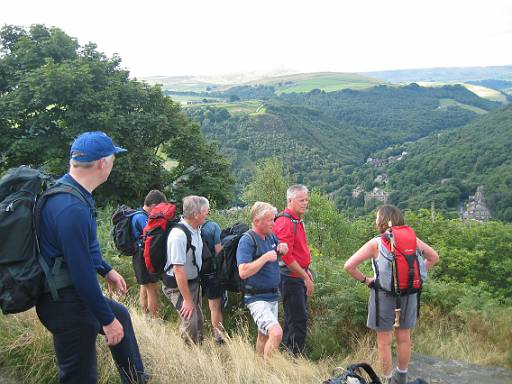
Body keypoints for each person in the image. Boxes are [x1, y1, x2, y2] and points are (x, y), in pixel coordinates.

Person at [35, 131, 148, 384]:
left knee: (122, 317)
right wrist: (107, 321)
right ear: (102, 163)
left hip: (66, 295)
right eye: (113, 158)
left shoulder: (72, 191)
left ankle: (136, 379)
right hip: (64, 304)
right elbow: (81, 273)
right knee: (79, 377)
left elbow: (83, 248)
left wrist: (107, 269)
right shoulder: (71, 208)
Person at [344, 205, 439, 384]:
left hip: (384, 296)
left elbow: (349, 266)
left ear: (382, 220)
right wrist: (419, 276)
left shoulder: (377, 243)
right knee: (404, 339)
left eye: (377, 217)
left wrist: (367, 280)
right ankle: (401, 377)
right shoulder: (413, 240)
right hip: (410, 294)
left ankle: (387, 380)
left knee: (384, 342)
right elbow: (434, 257)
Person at [237, 202, 288, 360]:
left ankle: (258, 368)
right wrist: (265, 257)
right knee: (276, 332)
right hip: (257, 298)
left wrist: (281, 248)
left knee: (263, 336)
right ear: (256, 220)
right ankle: (268, 371)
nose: (273, 224)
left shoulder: (270, 236)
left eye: (273, 219)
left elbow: (275, 250)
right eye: (269, 220)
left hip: (272, 296)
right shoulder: (247, 240)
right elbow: (243, 272)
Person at [161, 195, 209, 344]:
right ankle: (187, 357)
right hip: (177, 286)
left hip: (193, 283)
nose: (207, 214)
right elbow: (178, 270)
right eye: (206, 211)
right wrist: (187, 300)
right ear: (196, 214)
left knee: (199, 320)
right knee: (190, 321)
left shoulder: (196, 228)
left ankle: (198, 351)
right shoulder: (178, 235)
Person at [273, 184, 313, 355]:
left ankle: (290, 354)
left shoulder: (295, 219)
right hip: (290, 278)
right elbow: (286, 257)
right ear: (290, 200)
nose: (305, 203)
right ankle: (294, 358)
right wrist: (305, 277)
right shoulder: (285, 222)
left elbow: (297, 251)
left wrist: (306, 269)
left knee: (295, 318)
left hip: (297, 275)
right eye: (301, 200)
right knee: (297, 319)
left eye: (306, 200)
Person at [131, 190, 167, 318]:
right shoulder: (142, 218)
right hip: (144, 257)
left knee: (145, 287)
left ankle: (145, 316)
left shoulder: (137, 215)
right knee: (153, 290)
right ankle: (154, 319)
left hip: (139, 256)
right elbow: (152, 235)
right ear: (153, 205)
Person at [200, 218, 227, 344]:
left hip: (193, 272)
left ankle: (197, 334)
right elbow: (218, 251)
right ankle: (218, 337)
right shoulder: (213, 226)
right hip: (211, 271)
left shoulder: (185, 226)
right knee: (215, 307)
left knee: (193, 304)